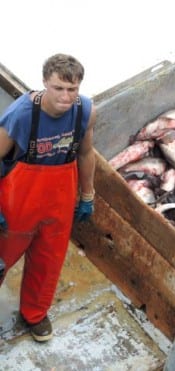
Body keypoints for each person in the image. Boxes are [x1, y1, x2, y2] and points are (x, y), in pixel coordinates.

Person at [0, 53, 96, 342]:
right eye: (58, 89)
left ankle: (35, 314)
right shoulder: (21, 115)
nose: (66, 97)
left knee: (49, 261)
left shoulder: (85, 111)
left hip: (59, 202)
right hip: (17, 204)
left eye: (72, 89)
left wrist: (88, 194)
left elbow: (86, 152)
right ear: (44, 83)